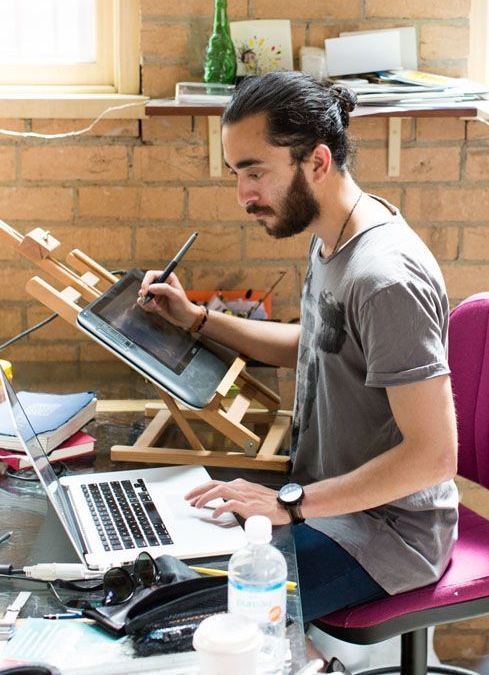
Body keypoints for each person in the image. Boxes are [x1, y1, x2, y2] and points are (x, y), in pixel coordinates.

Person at [138, 71, 459, 623]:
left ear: (317, 161)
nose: (244, 195)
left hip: (386, 534)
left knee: (190, 613)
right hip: (323, 498)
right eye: (238, 173)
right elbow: (316, 345)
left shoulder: (384, 278)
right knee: (159, 551)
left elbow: (434, 455)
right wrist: (196, 320)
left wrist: (290, 503)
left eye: (256, 172)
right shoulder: (331, 236)